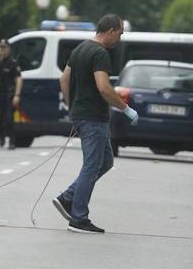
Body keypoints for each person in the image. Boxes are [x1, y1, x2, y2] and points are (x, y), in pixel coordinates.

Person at [52, 14, 139, 234]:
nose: (119, 39)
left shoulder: (80, 49)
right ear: (110, 31)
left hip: (82, 115)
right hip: (93, 118)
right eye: (119, 33)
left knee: (106, 161)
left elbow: (64, 79)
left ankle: (69, 197)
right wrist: (125, 109)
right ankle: (78, 218)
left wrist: (72, 107)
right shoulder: (100, 53)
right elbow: (103, 87)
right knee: (91, 165)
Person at [0, 39, 23, 150]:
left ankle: (12, 141)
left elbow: (19, 79)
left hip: (9, 94)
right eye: (1, 47)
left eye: (4, 47)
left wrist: (17, 95)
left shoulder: (13, 62)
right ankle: (1, 135)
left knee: (9, 118)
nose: (2, 50)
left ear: (9, 49)